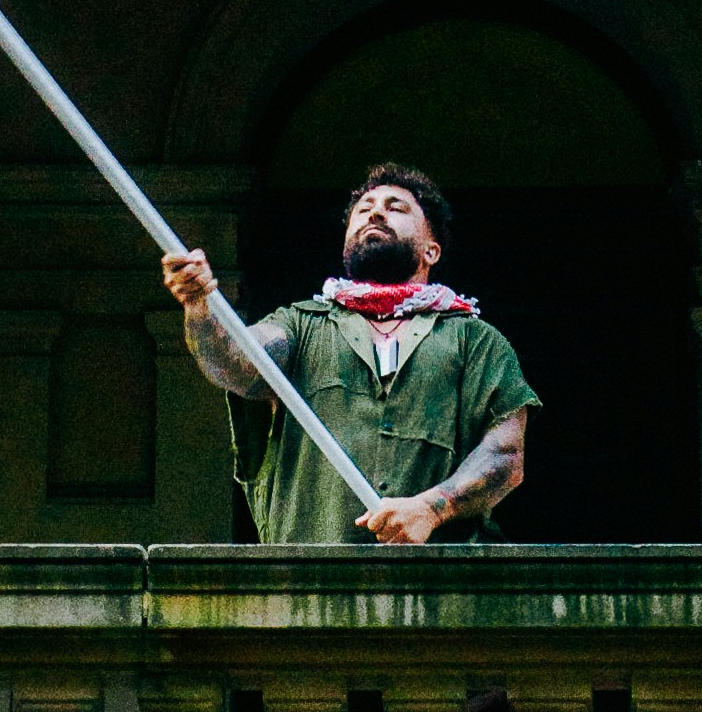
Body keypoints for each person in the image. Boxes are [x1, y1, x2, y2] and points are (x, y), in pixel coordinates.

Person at [162, 162, 535, 549]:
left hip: (435, 593)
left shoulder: (475, 341)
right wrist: (199, 307)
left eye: (396, 208)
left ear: (431, 249)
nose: (376, 212)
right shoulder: (299, 324)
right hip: (307, 590)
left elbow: (505, 457)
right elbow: (235, 365)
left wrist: (431, 509)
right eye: (365, 208)